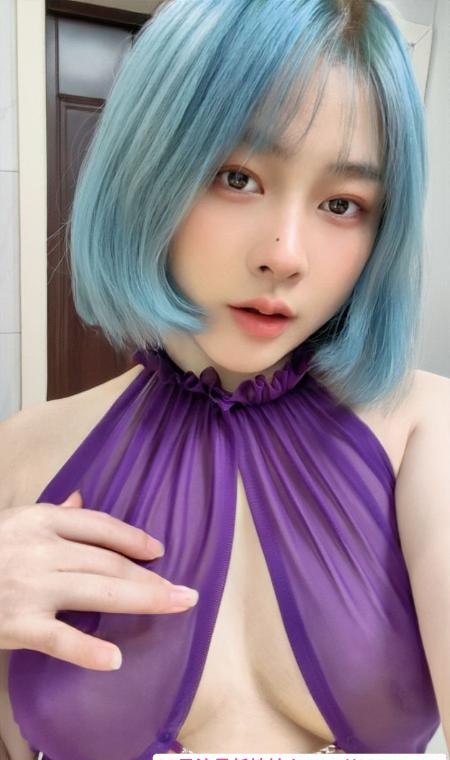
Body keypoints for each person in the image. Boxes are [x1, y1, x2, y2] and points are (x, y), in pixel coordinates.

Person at [0, 0, 448, 758]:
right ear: (147, 170)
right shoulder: (20, 453)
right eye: (236, 177)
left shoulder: (427, 432)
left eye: (342, 203)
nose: (286, 254)